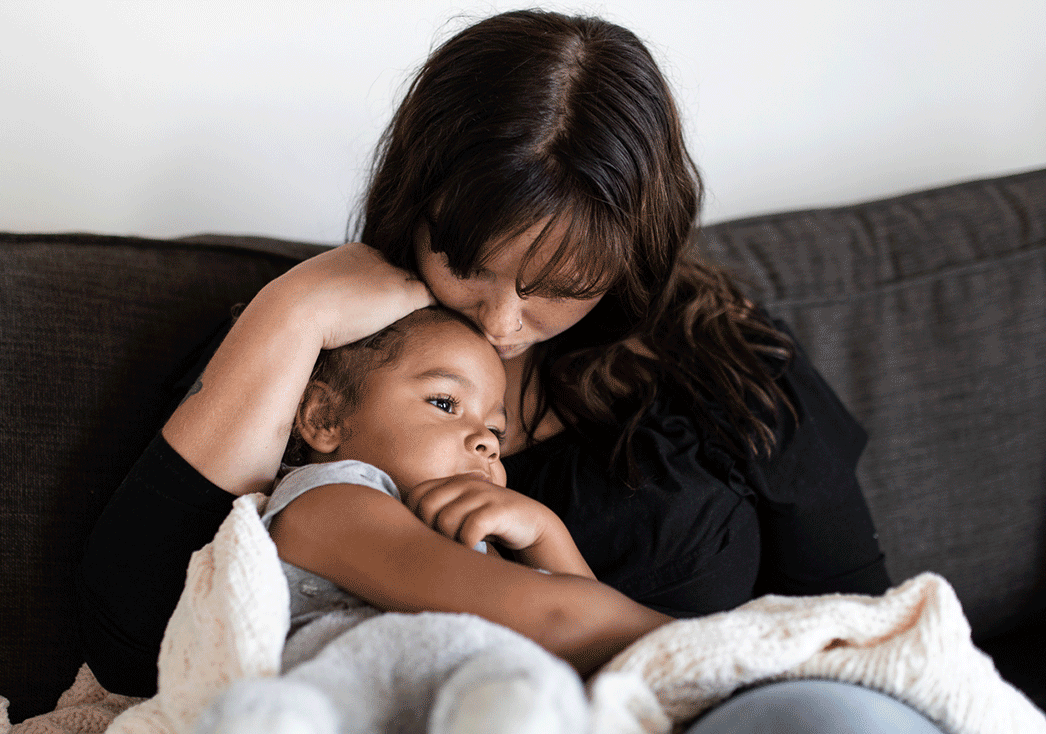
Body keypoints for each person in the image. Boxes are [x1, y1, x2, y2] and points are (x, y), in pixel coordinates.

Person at [81, 9, 939, 732]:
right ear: (418, 211)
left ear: (626, 265)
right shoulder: (333, 360)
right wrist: (291, 312)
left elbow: (860, 632)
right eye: (468, 264)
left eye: (558, 289)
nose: (499, 322)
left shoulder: (730, 361)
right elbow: (145, 640)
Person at [195, 305, 641, 733]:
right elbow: (555, 617)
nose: (486, 441)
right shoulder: (329, 501)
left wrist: (546, 533)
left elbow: (602, 655)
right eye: (446, 403)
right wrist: (689, 638)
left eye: (497, 432)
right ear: (325, 417)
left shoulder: (471, 531)